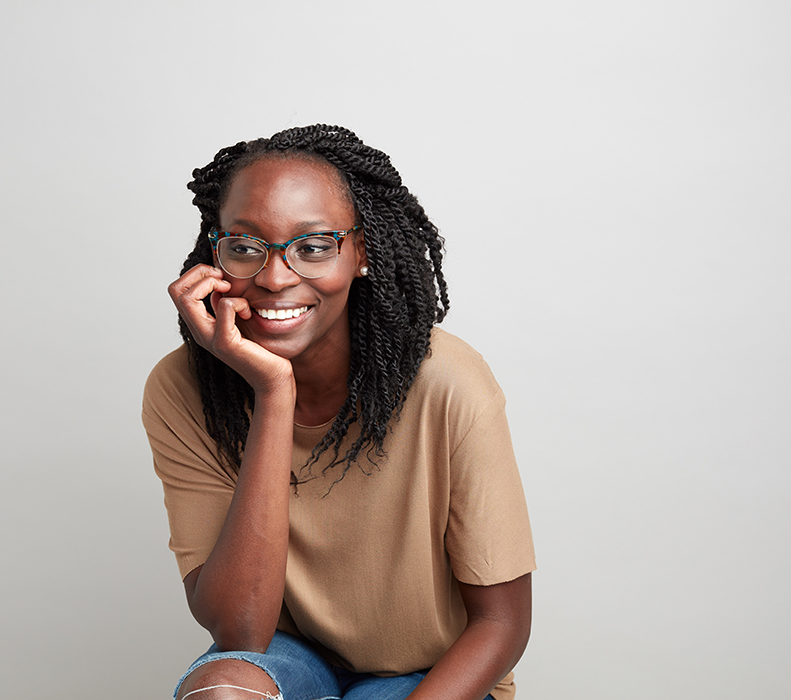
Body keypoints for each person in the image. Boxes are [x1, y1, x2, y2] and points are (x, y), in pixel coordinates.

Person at [142, 124, 535, 700]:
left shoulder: (447, 381)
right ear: (215, 252)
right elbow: (241, 631)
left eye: (315, 246)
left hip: (431, 677)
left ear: (361, 254)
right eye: (246, 246)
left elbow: (502, 624)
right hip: (289, 659)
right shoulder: (184, 387)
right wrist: (274, 394)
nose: (275, 278)